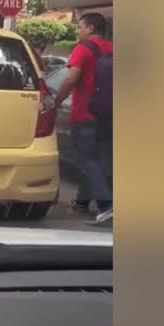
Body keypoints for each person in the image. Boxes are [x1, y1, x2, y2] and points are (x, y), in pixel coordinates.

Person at [52, 12, 113, 226]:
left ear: (89, 28)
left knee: (85, 160)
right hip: (108, 115)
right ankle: (82, 203)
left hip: (84, 114)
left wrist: (56, 101)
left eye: (80, 26)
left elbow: (70, 80)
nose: (77, 31)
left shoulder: (83, 48)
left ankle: (107, 205)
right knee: (98, 160)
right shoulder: (112, 49)